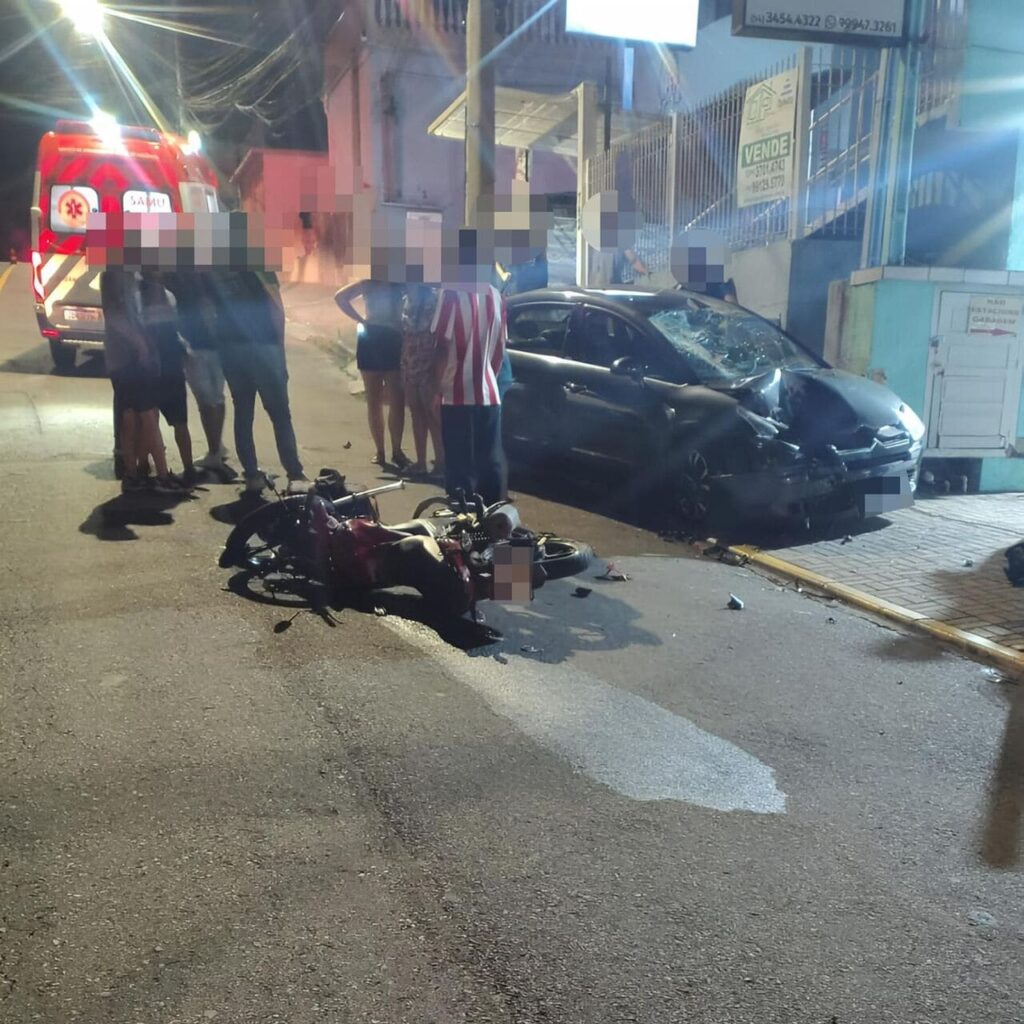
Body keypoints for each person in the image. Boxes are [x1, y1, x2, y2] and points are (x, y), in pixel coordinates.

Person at [210, 269, 309, 494]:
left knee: (243, 412)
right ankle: (294, 473)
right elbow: (275, 306)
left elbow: (208, 309)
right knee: (280, 414)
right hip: (263, 346)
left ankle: (252, 475)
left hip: (229, 348)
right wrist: (280, 350)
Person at [430, 234, 508, 505]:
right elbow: (499, 350)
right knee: (490, 461)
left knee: (460, 466)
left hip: (456, 393)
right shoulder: (496, 296)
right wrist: (488, 380)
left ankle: (464, 527)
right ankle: (495, 520)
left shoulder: (449, 294)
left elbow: (441, 346)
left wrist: (437, 391)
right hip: (489, 392)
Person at [100, 268, 184, 495]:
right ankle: (161, 475)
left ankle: (134, 473)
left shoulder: (141, 277)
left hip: (138, 360)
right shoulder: (113, 277)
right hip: (126, 360)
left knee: (135, 415)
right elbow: (116, 316)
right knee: (145, 414)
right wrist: (141, 344)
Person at [334, 278, 410, 470]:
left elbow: (341, 297)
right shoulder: (370, 283)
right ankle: (383, 451)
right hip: (378, 337)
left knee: (395, 399)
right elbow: (340, 297)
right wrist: (360, 319)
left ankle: (394, 450)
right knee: (375, 398)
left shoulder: (397, 284)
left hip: (387, 337)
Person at [163, 270, 233, 478]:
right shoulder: (213, 276)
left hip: (194, 345)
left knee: (206, 402)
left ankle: (214, 452)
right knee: (217, 398)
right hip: (218, 345)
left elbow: (176, 312)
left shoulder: (178, 278)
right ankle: (217, 447)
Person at [139, 272, 195, 484]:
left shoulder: (138, 298)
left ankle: (144, 468)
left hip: (153, 367)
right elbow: (173, 331)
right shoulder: (169, 296)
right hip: (171, 366)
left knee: (150, 421)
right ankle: (188, 469)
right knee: (180, 422)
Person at [400, 282, 444, 478]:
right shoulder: (406, 301)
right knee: (416, 413)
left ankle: (441, 462)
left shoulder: (434, 300)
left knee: (432, 415)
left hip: (429, 362)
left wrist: (437, 369)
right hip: (410, 361)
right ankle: (420, 462)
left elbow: (441, 336)